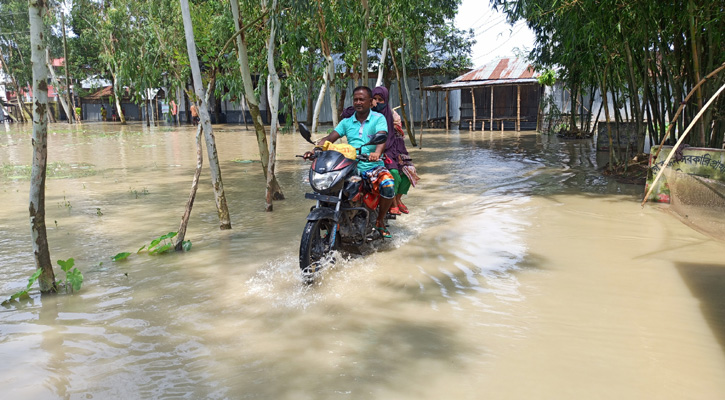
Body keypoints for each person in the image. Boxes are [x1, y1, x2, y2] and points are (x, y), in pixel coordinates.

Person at [307, 86, 396, 238]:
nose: (358, 102)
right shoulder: (346, 122)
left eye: (362, 99)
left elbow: (382, 136)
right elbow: (329, 138)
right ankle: (333, 221)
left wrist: (376, 153)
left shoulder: (378, 118)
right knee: (330, 185)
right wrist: (315, 150)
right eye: (355, 99)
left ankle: (380, 221)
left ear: (370, 101)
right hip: (349, 166)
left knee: (388, 184)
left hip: (371, 165)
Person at [370, 86, 414, 215]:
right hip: (377, 150)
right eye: (375, 99)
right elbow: (347, 113)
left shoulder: (393, 115)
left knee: (409, 172)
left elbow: (398, 138)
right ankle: (393, 202)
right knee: (394, 173)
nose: (377, 102)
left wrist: (401, 155)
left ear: (386, 100)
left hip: (394, 148)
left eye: (380, 99)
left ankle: (398, 198)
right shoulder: (368, 113)